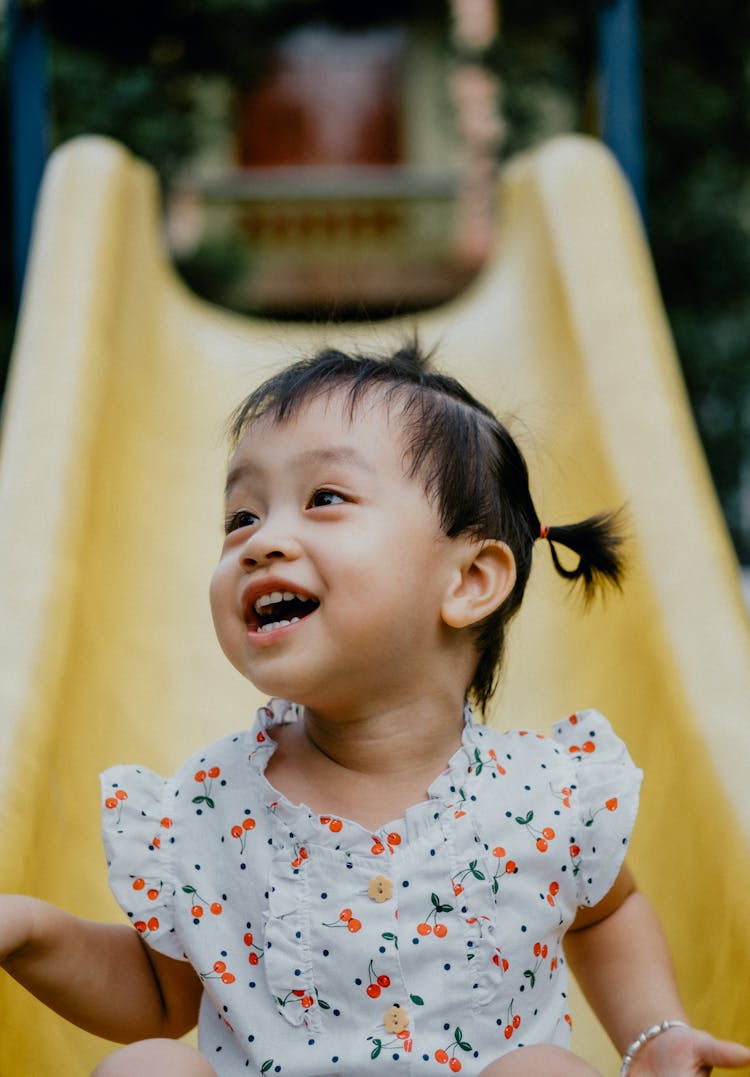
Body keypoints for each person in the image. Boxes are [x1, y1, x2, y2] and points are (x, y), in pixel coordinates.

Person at [1, 343, 749, 1077]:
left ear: (470, 580)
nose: (262, 541)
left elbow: (606, 912)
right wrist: (31, 930)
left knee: (545, 1069)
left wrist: (654, 1032)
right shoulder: (209, 802)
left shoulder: (543, 791)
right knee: (148, 1066)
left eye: (324, 498)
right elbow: (163, 994)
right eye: (240, 516)